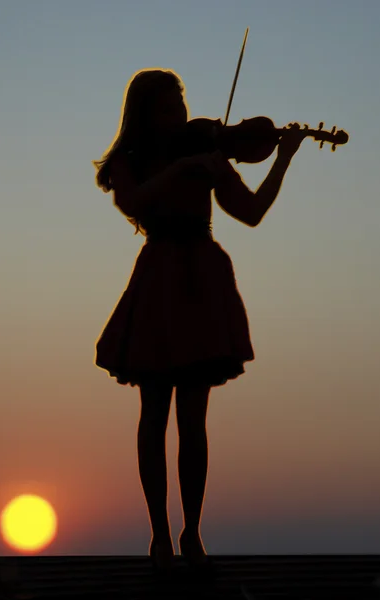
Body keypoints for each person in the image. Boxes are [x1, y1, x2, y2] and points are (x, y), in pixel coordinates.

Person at [92, 69, 305, 575]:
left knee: (193, 418)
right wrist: (184, 166)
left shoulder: (206, 150)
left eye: (180, 108)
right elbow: (134, 202)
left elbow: (251, 212)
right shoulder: (130, 161)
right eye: (167, 109)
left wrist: (283, 159)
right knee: (153, 412)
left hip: (202, 276)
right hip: (160, 274)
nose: (179, 118)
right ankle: (158, 535)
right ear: (145, 113)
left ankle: (191, 530)